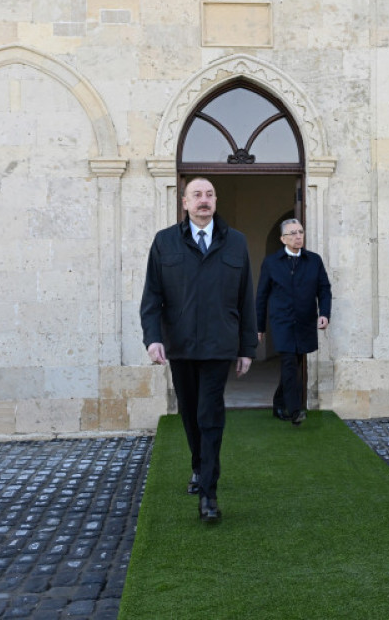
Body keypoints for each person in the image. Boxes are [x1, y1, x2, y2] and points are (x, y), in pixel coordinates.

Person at [140, 177, 256, 523]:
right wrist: (153, 338)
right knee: (189, 414)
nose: (203, 200)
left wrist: (246, 347)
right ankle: (198, 465)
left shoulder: (236, 243)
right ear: (185, 202)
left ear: (215, 201)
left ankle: (209, 493)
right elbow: (152, 298)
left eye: (209, 195)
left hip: (219, 346)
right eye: (197, 195)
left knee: (210, 415)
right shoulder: (164, 242)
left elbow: (245, 299)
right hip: (180, 346)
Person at [255, 218, 332, 427]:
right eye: (292, 233)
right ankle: (295, 410)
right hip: (281, 322)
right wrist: (259, 327)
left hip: (306, 321)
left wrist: (324, 313)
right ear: (282, 239)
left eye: (300, 232)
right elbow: (261, 296)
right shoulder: (271, 263)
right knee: (289, 362)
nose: (298, 236)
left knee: (296, 362)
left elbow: (324, 289)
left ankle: (278, 403)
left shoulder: (314, 260)